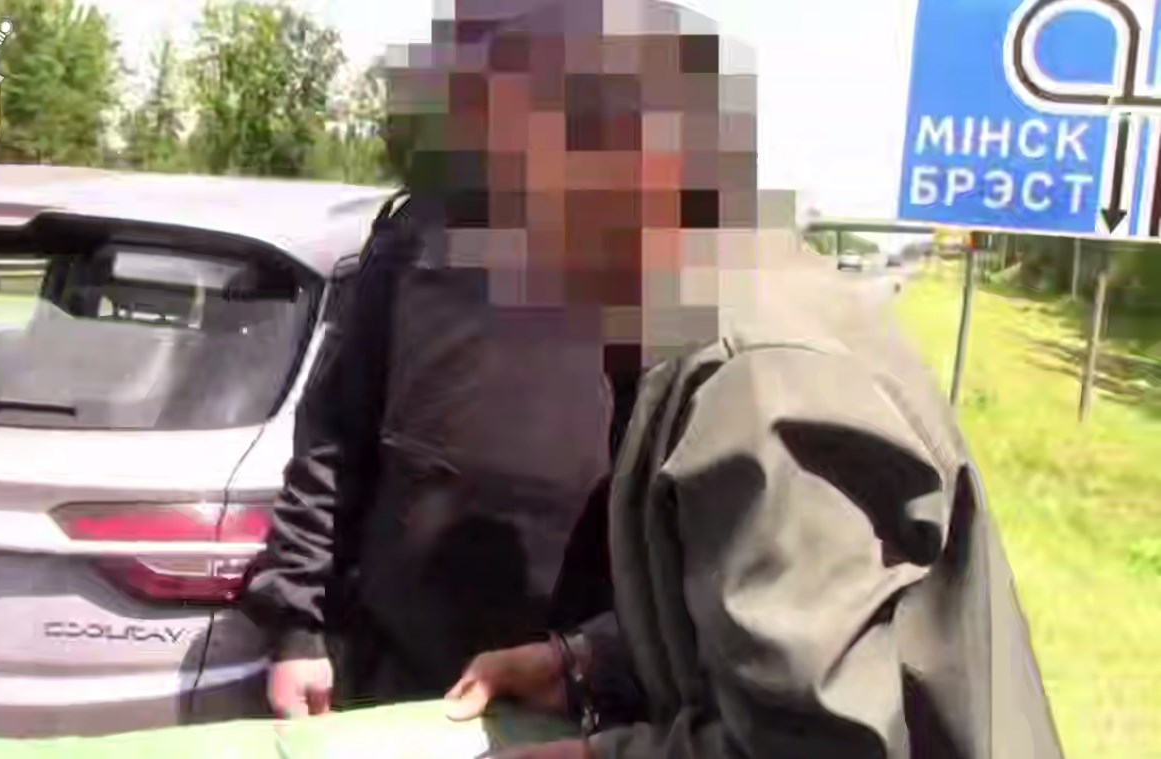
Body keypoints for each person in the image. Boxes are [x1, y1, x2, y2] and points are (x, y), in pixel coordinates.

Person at [434, 3, 1068, 759]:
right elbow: (751, 619)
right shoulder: (723, 307)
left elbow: (820, 746)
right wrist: (585, 665)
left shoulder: (758, 380)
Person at [239, 0, 669, 716]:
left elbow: (687, 508)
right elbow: (332, 439)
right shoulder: (419, 233)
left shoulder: (658, 258)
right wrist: (296, 628)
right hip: (400, 677)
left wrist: (607, 660)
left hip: (577, 686)